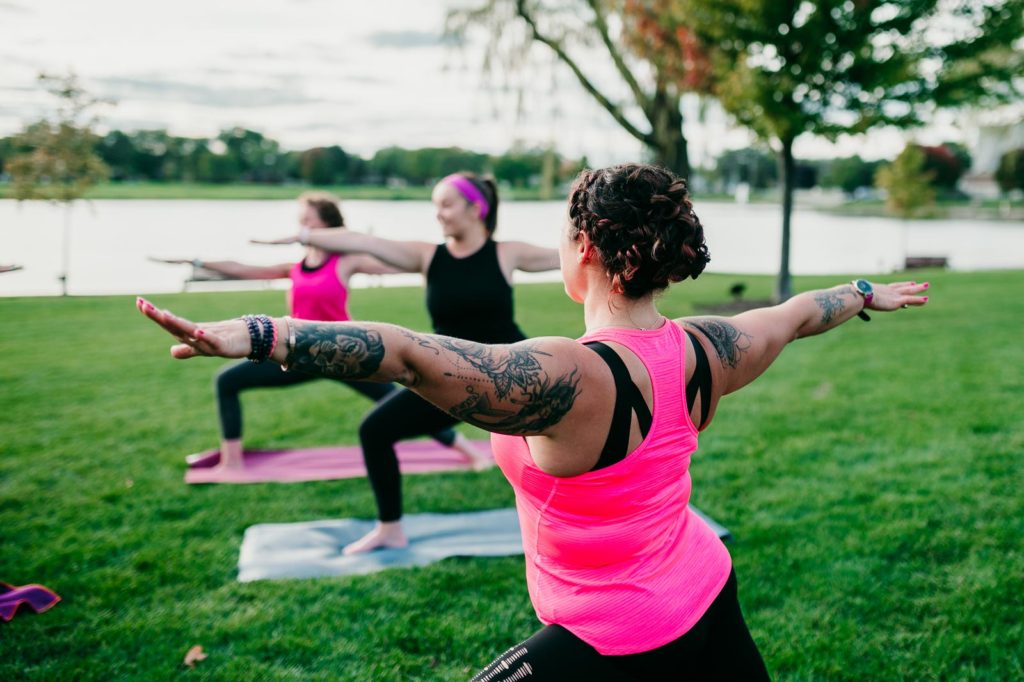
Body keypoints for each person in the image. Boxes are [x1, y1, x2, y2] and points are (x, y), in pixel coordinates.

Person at [138, 163, 929, 678]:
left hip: (609, 635)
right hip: (705, 588)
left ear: (586, 249)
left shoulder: (568, 375)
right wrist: (864, 290)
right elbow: (796, 314)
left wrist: (264, 335)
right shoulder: (706, 348)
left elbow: (406, 354)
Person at [253, 172, 561, 553]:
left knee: (549, 449)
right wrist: (304, 236)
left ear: (475, 208)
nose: (439, 215)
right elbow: (364, 242)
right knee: (375, 431)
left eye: (446, 205)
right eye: (435, 206)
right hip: (450, 375)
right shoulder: (427, 256)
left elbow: (568, 255)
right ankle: (390, 528)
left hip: (510, 375)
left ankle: (577, 524)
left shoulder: (507, 252)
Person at [152, 191, 475, 471]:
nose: (301, 227)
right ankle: (231, 459)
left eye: (308, 220)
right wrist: (194, 261)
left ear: (326, 227)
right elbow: (241, 268)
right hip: (298, 352)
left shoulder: (346, 261)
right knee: (227, 380)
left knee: (402, 400)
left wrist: (450, 261)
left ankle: (468, 451)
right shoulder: (296, 266)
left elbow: (401, 262)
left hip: (344, 352)